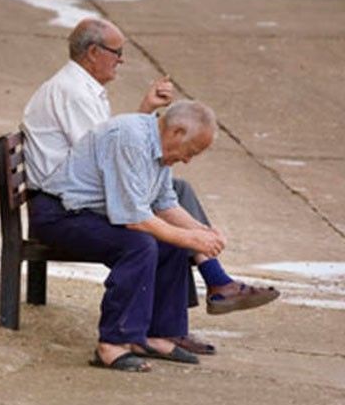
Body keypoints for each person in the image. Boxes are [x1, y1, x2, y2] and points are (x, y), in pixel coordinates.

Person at [21, 18, 278, 355]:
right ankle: (127, 335)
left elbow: (119, 151)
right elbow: (109, 152)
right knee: (146, 238)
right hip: (62, 203)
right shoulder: (73, 92)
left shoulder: (89, 92)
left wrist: (202, 232)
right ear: (93, 52)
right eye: (117, 52)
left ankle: (166, 329)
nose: (122, 59)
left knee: (171, 207)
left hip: (81, 195)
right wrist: (192, 237)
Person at [30, 101, 223, 371]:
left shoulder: (158, 143)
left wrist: (201, 232)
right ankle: (112, 344)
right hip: (61, 216)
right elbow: (134, 219)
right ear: (177, 132)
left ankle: (157, 334)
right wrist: (191, 239)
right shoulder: (130, 140)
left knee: (172, 241)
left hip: (90, 214)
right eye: (190, 151)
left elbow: (165, 203)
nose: (188, 160)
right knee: (140, 244)